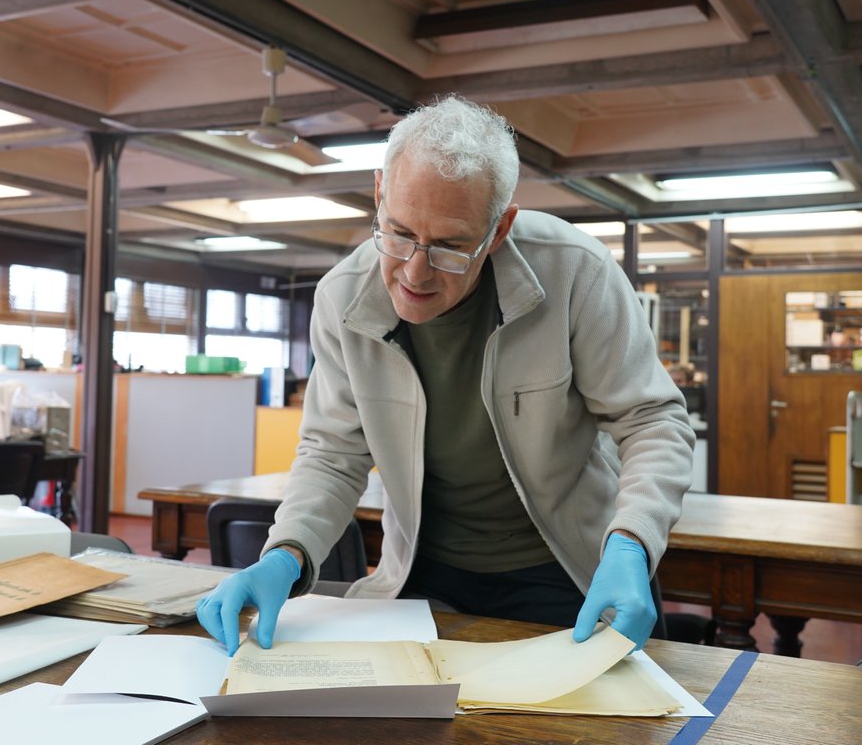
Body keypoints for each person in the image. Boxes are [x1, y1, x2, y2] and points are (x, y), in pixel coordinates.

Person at [198, 95, 694, 656]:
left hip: (567, 568)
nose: (415, 271)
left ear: (500, 227)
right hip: (422, 575)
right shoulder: (342, 297)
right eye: (400, 232)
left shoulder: (575, 272)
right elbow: (333, 453)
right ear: (380, 191)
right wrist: (284, 555)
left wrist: (630, 544)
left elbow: (653, 421)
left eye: (451, 247)